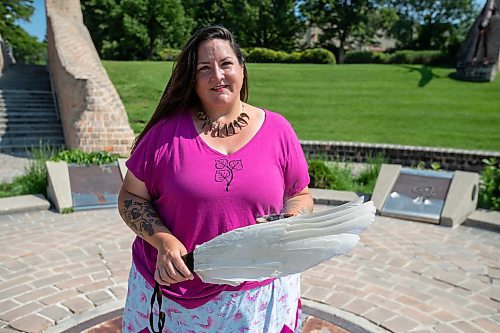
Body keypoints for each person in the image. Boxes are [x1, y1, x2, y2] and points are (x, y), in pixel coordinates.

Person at [118, 25, 314, 333]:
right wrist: (163, 241)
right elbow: (131, 198)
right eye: (204, 69)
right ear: (192, 80)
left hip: (259, 295)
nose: (217, 76)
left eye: (225, 64)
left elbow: (300, 194)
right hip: (177, 298)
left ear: (242, 69)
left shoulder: (278, 130)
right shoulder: (163, 136)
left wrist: (291, 220)